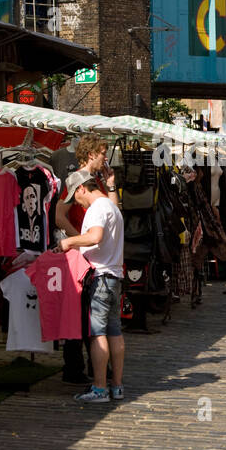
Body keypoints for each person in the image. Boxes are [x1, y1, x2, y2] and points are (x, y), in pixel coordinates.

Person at [61, 170, 126, 404]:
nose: (75, 202)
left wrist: (69, 241)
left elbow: (95, 236)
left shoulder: (98, 208)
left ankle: (99, 388)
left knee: (97, 334)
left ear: (81, 189)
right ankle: (116, 385)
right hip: (114, 275)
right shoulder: (111, 206)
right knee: (114, 331)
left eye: (74, 197)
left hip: (100, 277)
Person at [54, 134, 114, 384]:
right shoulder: (76, 180)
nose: (105, 157)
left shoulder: (99, 179)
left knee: (95, 311)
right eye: (102, 152)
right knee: (79, 312)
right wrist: (79, 239)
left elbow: (113, 211)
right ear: (91, 154)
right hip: (82, 254)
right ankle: (75, 367)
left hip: (96, 253)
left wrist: (111, 185)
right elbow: (59, 215)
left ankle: (96, 366)